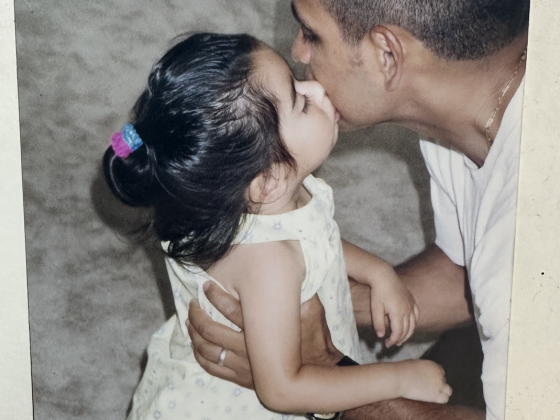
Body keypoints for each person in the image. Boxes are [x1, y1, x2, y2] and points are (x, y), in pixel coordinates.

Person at [186, 1, 530, 419]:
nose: (297, 52)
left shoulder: (521, 250)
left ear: (387, 56)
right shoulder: (463, 99)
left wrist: (325, 368)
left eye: (311, 34)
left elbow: (494, 278)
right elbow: (464, 274)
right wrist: (286, 307)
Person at [104, 33, 453, 420]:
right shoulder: (269, 262)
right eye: (300, 102)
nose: (317, 89)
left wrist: (377, 271)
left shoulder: (265, 198)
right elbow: (283, 389)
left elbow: (316, 237)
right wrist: (397, 379)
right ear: (269, 180)